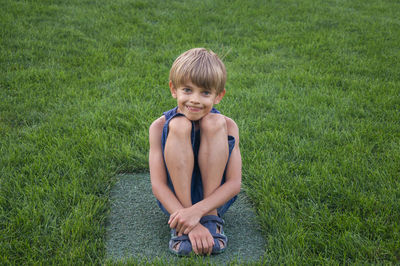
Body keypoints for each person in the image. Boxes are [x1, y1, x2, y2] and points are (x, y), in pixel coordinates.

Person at [148, 48, 242, 256]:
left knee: (216, 122)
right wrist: (186, 217)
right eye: (188, 90)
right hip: (176, 202)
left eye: (205, 92)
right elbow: (158, 185)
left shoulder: (228, 126)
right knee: (179, 126)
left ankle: (211, 218)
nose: (195, 100)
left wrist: (199, 212)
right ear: (174, 89)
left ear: (219, 96)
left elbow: (234, 183)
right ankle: (180, 224)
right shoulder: (158, 127)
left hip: (214, 201)